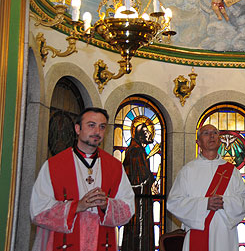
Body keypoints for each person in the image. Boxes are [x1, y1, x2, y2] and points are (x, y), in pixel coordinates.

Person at [30, 107, 135, 251]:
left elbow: (128, 209)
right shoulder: (54, 165)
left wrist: (106, 205)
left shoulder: (115, 167)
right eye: (91, 125)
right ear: (77, 128)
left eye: (102, 127)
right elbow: (38, 211)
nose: (97, 132)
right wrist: (77, 206)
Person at [167, 124, 245, 251]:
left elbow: (244, 201)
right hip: (197, 233)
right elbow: (174, 203)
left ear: (220, 140)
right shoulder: (188, 170)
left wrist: (224, 203)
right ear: (198, 142)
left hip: (225, 235)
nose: (211, 136)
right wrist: (205, 204)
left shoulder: (232, 171)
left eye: (215, 133)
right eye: (206, 133)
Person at [122, 123, 156, 251]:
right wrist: (150, 179)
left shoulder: (140, 151)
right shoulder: (135, 151)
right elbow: (139, 177)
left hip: (143, 197)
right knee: (136, 229)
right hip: (137, 199)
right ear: (140, 135)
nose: (149, 134)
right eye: (146, 132)